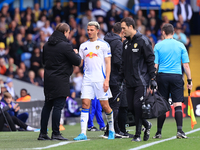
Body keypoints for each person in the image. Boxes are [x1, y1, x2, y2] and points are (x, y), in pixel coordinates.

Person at [38, 23, 81, 141]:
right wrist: (76, 53)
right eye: (68, 32)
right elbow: (77, 61)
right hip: (61, 79)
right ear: (65, 32)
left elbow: (43, 61)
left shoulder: (46, 45)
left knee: (47, 106)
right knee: (58, 107)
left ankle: (42, 133)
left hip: (48, 79)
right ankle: (56, 133)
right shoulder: (65, 46)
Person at [74, 21, 115, 141]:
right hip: (87, 79)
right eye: (88, 30)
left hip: (100, 79)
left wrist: (107, 80)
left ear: (97, 30)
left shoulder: (104, 45)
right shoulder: (83, 46)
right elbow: (80, 64)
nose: (89, 32)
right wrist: (75, 55)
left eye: (91, 30)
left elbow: (108, 63)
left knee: (105, 105)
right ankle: (83, 133)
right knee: (85, 104)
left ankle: (111, 130)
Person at [153, 23, 192, 139]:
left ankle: (158, 132)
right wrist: (189, 80)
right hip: (176, 76)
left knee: (162, 104)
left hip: (162, 76)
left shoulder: (158, 46)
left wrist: (152, 80)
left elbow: (155, 65)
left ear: (163, 33)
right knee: (177, 104)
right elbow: (186, 65)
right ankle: (180, 131)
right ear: (173, 33)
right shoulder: (181, 45)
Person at [120, 17, 156, 142]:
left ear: (131, 27)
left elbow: (150, 60)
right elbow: (122, 64)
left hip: (141, 81)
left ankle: (137, 135)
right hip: (128, 82)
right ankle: (147, 125)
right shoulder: (125, 43)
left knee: (137, 106)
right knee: (130, 108)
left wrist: (153, 78)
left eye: (124, 28)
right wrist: (121, 79)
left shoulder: (143, 40)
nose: (122, 31)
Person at [103, 22, 124, 138]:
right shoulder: (118, 43)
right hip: (114, 78)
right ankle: (108, 131)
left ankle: (115, 129)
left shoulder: (104, 41)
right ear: (121, 31)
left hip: (104, 77)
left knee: (109, 104)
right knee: (115, 105)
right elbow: (117, 61)